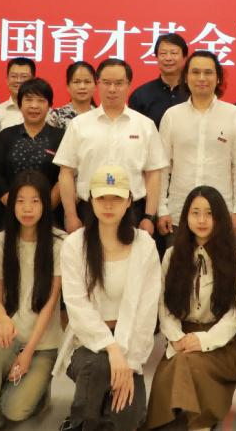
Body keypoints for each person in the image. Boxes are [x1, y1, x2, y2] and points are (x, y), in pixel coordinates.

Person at [55, 165, 162, 431]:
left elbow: (147, 312)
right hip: (86, 342)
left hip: (131, 343)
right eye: (102, 197)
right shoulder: (75, 244)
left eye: (116, 198)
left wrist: (129, 362)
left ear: (129, 201)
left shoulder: (144, 245)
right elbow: (77, 307)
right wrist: (112, 348)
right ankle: (81, 423)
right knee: (99, 367)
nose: (109, 205)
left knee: (128, 417)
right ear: (90, 200)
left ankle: (94, 416)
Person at [146, 186, 236, 430]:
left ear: (220, 218)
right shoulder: (171, 255)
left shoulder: (235, 257)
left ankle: (196, 423)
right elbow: (164, 305)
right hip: (182, 336)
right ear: (186, 217)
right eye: (195, 213)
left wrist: (203, 340)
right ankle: (199, 422)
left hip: (222, 342)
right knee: (181, 364)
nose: (202, 220)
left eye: (209, 213)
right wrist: (177, 337)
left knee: (187, 364)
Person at [0, 170, 64, 430]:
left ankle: (36, 390)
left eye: (35, 201)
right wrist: (3, 320)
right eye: (20, 201)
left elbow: (50, 304)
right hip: (9, 334)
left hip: (42, 344)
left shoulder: (60, 243)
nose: (27, 208)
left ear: (45, 204)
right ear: (11, 204)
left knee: (14, 410)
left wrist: (28, 353)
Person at [54, 58, 169, 236]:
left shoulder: (145, 125)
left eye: (119, 83)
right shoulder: (79, 124)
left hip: (133, 211)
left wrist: (148, 216)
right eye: (107, 83)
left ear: (129, 85)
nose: (112, 89)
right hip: (89, 210)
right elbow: (66, 172)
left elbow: (153, 173)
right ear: (97, 84)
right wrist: (70, 215)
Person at [158, 51, 236, 238]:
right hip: (178, 214)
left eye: (208, 73)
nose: (201, 78)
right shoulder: (172, 116)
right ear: (186, 77)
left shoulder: (234, 115)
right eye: (195, 72)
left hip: (221, 214)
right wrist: (161, 208)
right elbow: (162, 166)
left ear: (218, 78)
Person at [0, 78, 65, 211]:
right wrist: (15, 206)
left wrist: (45, 208)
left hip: (50, 212)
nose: (34, 105)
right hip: (10, 211)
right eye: (28, 100)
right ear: (20, 104)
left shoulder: (60, 137)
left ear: (49, 105)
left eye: (41, 100)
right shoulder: (6, 135)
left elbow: (64, 175)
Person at [129, 32, 188, 127]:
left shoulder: (194, 92)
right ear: (157, 57)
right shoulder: (140, 95)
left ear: (184, 57)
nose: (168, 58)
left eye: (173, 53)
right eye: (163, 53)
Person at [48, 61, 98, 130]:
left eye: (87, 82)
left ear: (95, 86)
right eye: (76, 82)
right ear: (68, 86)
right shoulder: (56, 116)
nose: (82, 86)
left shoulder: (101, 116)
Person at [0, 57, 36, 130]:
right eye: (14, 76)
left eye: (24, 76)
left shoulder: (44, 112)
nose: (18, 80)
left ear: (33, 80)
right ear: (7, 80)